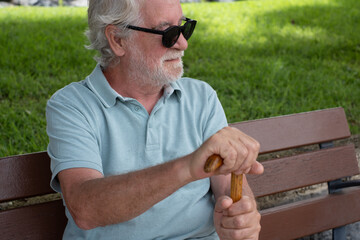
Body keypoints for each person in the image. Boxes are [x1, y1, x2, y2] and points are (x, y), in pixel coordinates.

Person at [46, 0, 264, 239]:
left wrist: (242, 215)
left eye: (183, 27)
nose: (183, 43)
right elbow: (85, 208)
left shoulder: (201, 97)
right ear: (117, 39)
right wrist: (188, 167)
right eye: (168, 33)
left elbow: (230, 187)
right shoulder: (73, 106)